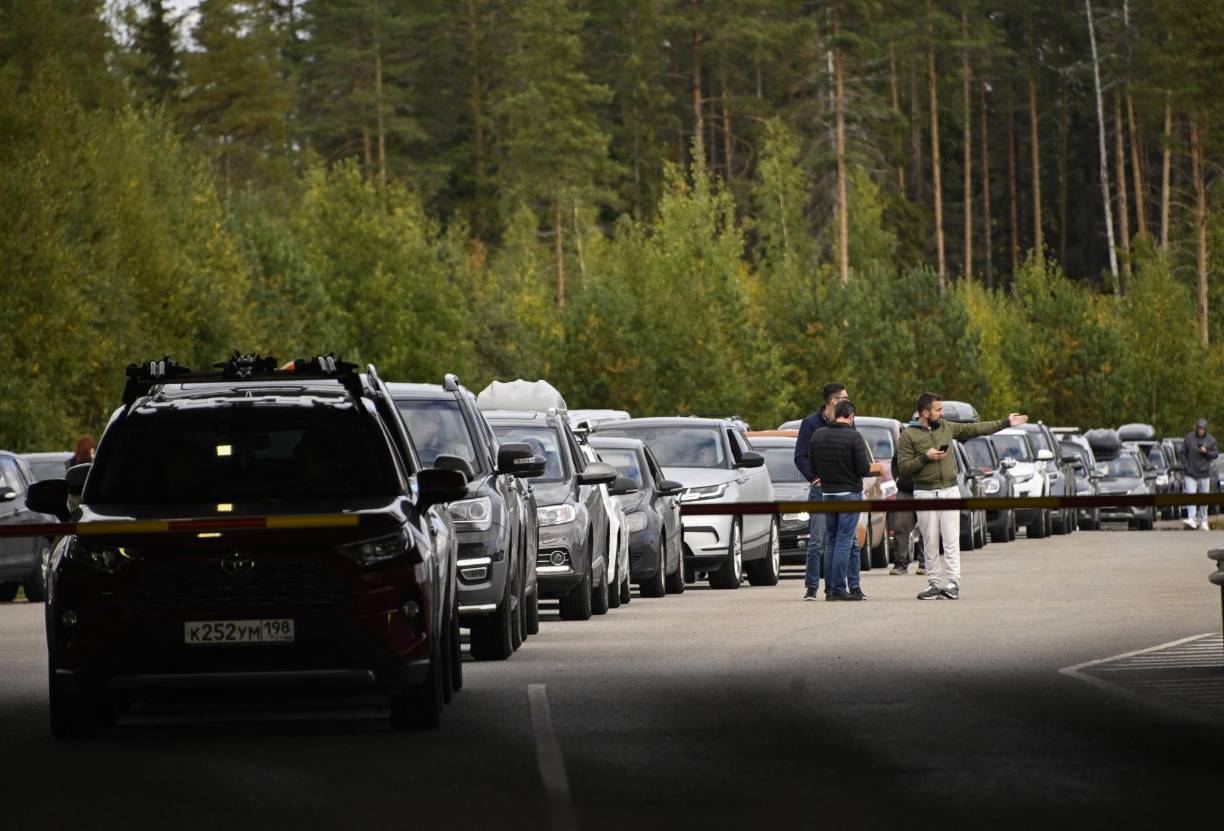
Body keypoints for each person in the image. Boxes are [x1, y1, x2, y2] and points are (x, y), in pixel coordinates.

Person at [896, 393, 1028, 600]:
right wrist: (925, 457)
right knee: (929, 539)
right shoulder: (908, 436)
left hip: (950, 490)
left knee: (951, 539)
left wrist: (1006, 422)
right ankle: (934, 583)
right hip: (924, 491)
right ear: (925, 413)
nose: (942, 413)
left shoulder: (947, 427)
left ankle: (953, 583)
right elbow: (904, 468)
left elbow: (976, 429)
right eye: (938, 410)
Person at [808, 400, 872, 601]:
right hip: (850, 494)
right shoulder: (854, 437)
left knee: (831, 541)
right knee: (845, 540)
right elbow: (863, 469)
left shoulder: (818, 435)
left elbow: (812, 465)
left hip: (827, 494)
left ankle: (829, 589)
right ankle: (838, 589)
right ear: (851, 416)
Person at [794, 382, 848, 599]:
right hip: (820, 489)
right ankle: (811, 587)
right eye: (844, 397)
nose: (848, 400)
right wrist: (814, 478)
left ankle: (834, 587)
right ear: (833, 400)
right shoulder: (810, 424)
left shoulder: (846, 421)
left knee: (840, 540)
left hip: (841, 489)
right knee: (817, 540)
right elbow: (800, 456)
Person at [1182, 419, 1218, 531]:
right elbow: (1182, 453)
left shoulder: (1211, 440)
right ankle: (1191, 518)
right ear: (1196, 428)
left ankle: (1203, 521)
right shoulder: (1189, 438)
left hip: (1204, 474)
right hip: (1191, 473)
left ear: (1205, 429)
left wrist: (1206, 452)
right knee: (1191, 496)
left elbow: (1215, 454)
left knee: (1204, 499)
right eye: (1199, 428)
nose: (1200, 430)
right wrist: (1186, 466)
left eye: (1202, 429)